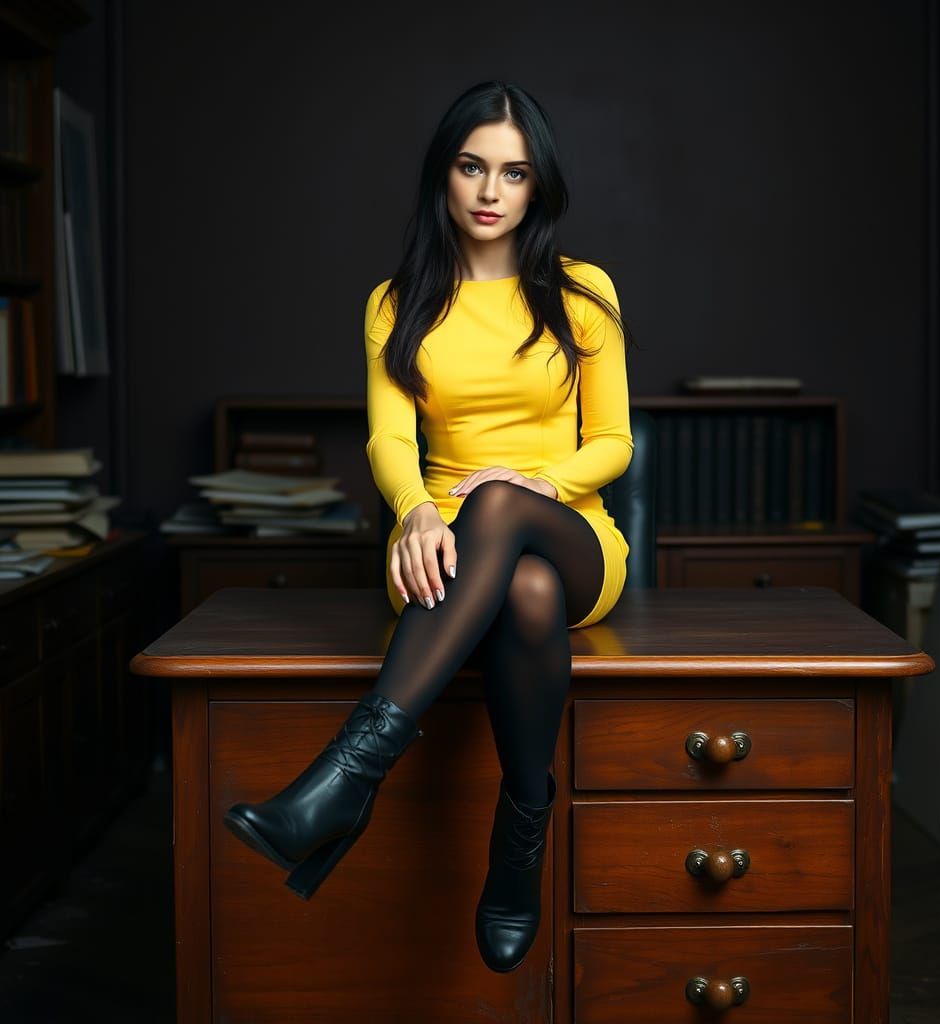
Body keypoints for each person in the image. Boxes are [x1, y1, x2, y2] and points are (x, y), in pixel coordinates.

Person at [223, 80, 636, 974]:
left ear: (537, 185)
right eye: (471, 167)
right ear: (443, 174)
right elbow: (387, 439)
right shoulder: (396, 301)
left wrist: (533, 482)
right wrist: (414, 512)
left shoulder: (582, 292)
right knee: (521, 587)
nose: (490, 191)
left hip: (573, 532)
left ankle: (343, 783)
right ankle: (522, 839)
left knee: (505, 513)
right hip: (440, 551)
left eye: (513, 173)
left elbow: (612, 441)